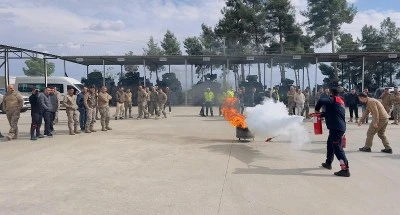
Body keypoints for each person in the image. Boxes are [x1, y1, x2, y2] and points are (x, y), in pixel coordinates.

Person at [314, 87, 350, 177]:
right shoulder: (340, 101)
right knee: (330, 145)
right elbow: (332, 113)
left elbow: (321, 100)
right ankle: (328, 163)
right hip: (338, 127)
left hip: (336, 128)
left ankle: (345, 169)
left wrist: (316, 110)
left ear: (331, 92)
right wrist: (320, 114)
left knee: (338, 149)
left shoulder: (333, 99)